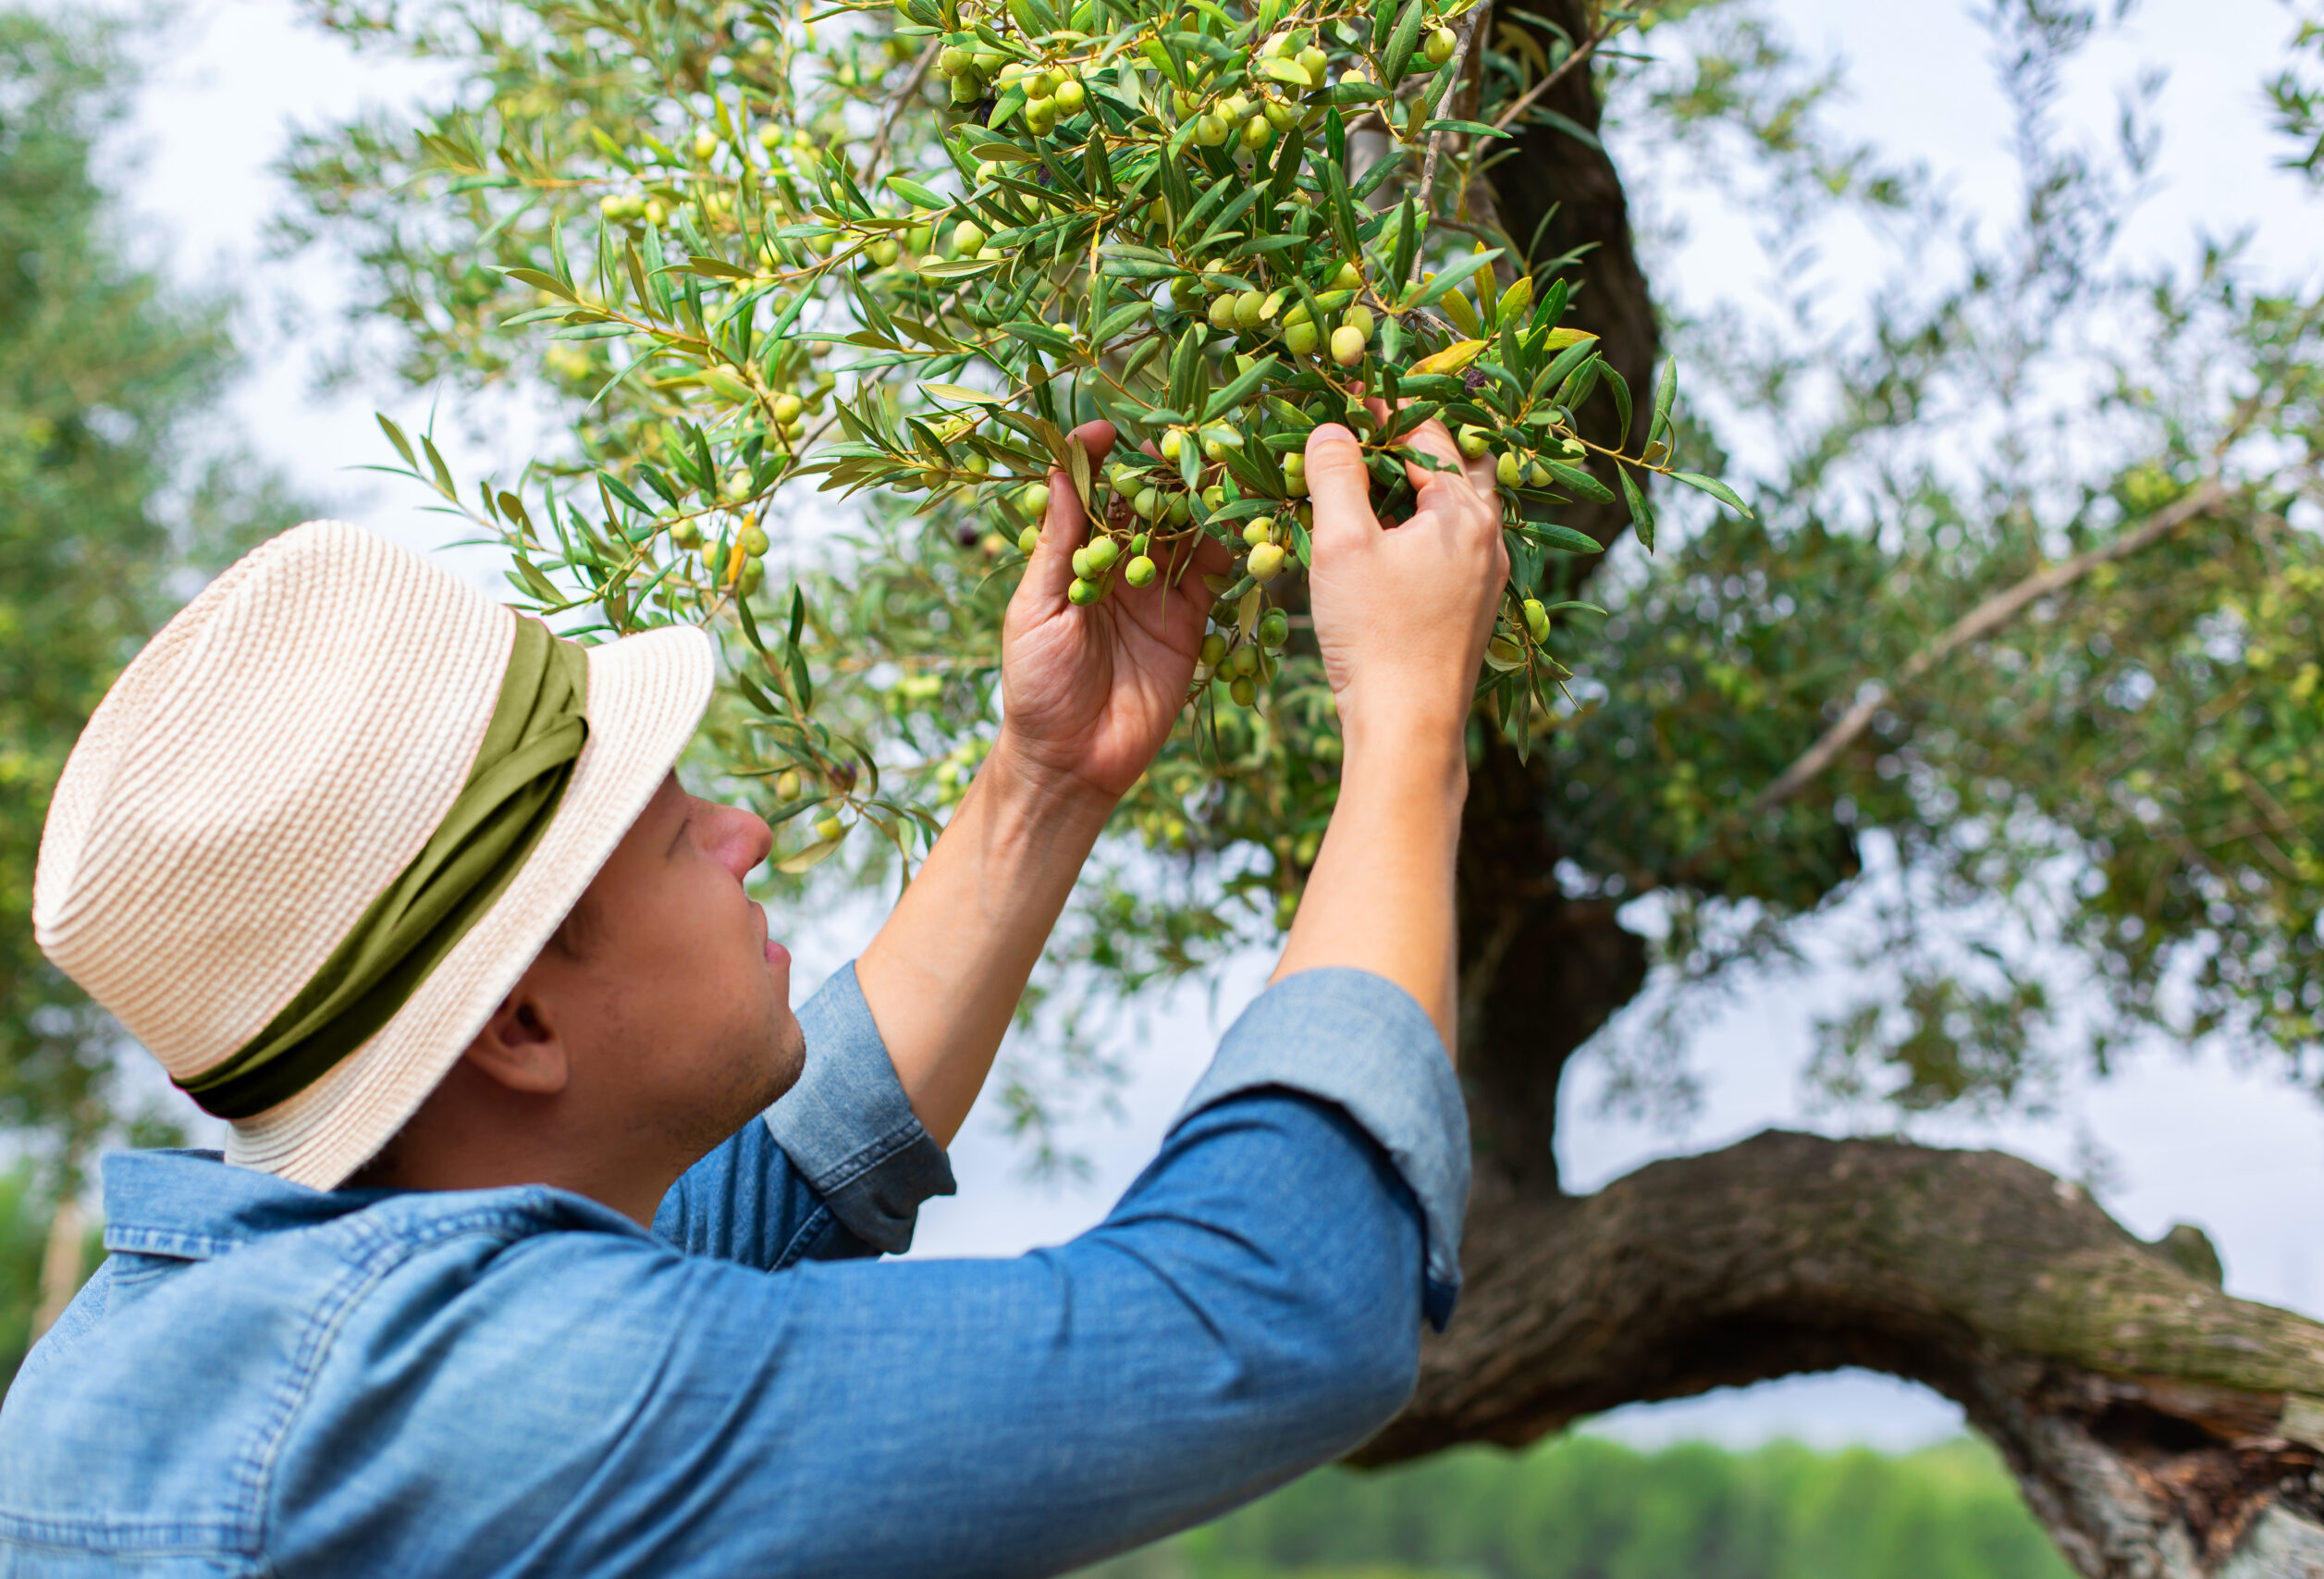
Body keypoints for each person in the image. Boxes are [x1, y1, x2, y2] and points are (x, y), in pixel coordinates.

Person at [0, 412, 1507, 1577]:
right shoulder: (496, 1408)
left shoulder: (188, 1333)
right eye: (673, 832)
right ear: (520, 1026)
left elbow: (787, 1178)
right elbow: (1272, 1314)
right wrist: (1407, 716)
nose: (747, 837)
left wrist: (1044, 784)